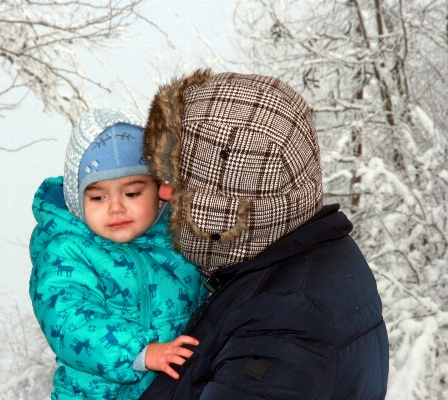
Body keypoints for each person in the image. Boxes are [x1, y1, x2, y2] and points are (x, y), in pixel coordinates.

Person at [139, 70, 390, 399]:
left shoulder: (286, 320)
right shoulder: (306, 262)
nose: (165, 194)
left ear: (224, 205)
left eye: (181, 182)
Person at [29, 108, 208, 399]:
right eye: (98, 197)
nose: (116, 208)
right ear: (77, 200)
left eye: (132, 193)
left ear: (159, 190)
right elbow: (69, 320)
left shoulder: (179, 241)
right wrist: (140, 352)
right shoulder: (68, 251)